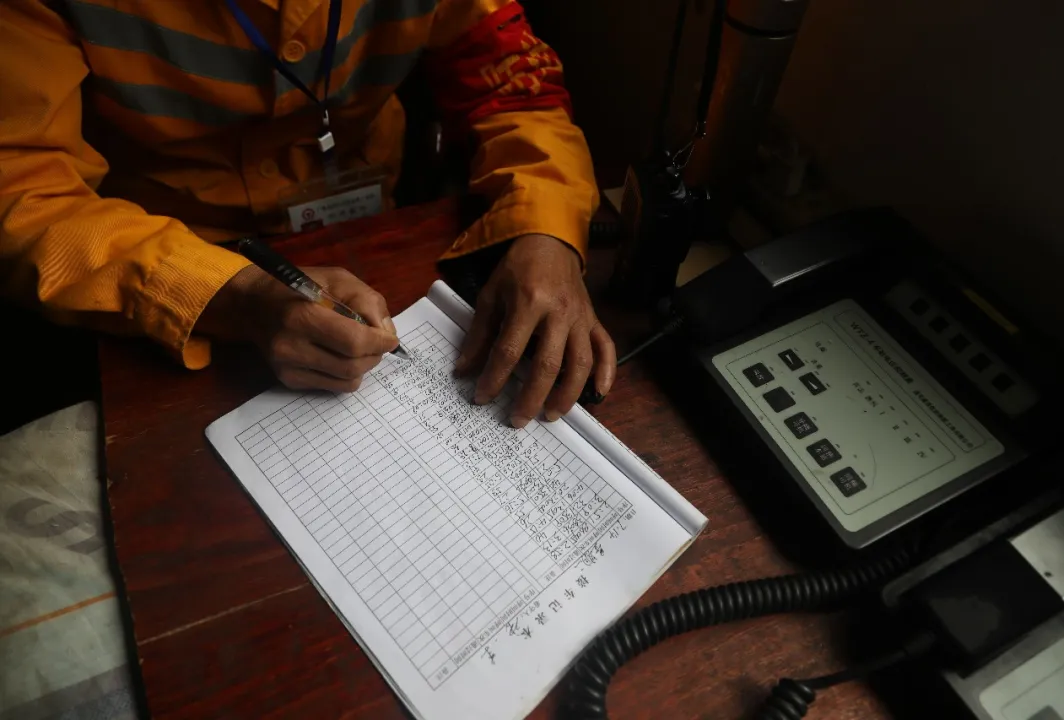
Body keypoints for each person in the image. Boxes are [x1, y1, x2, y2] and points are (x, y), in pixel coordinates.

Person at [0, 0, 616, 429]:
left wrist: (548, 226)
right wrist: (232, 296)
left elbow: (507, 83)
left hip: (377, 222)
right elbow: (20, 189)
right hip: (156, 252)